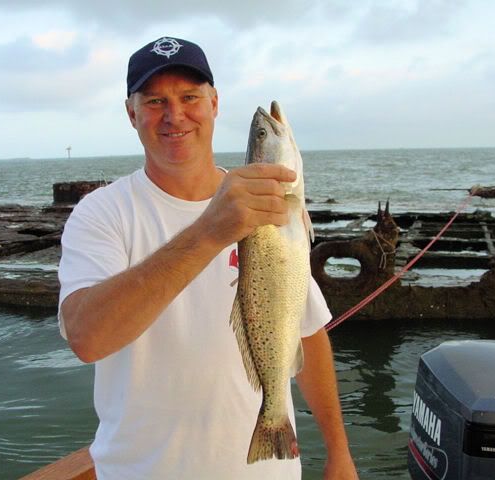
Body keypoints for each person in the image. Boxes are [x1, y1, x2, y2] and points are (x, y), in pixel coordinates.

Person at [58, 36, 358, 479]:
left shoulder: (267, 204)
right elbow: (86, 338)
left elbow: (306, 333)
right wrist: (208, 231)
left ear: (214, 104)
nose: (174, 114)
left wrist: (339, 452)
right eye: (155, 100)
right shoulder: (101, 213)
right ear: (131, 113)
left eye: (189, 97)